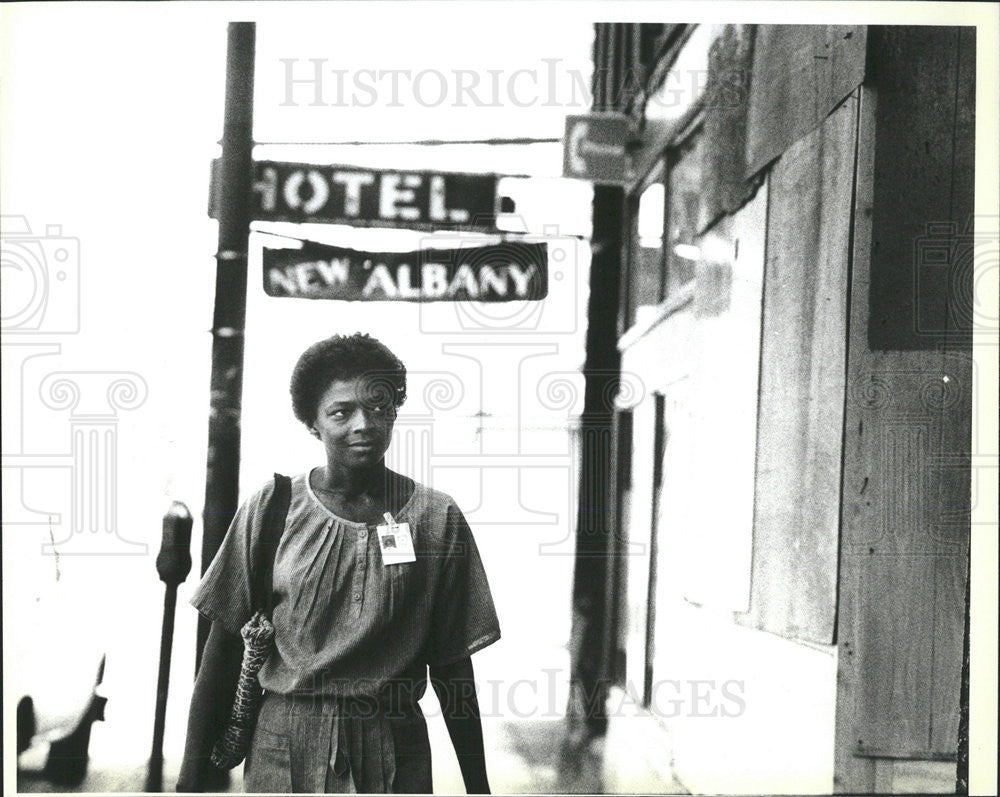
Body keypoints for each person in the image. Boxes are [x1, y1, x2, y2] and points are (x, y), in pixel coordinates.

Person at [177, 333, 500, 793]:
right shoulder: (271, 509)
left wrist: (479, 786)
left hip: (395, 748)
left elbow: (453, 666)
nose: (363, 424)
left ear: (394, 412)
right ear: (313, 422)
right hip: (282, 748)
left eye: (378, 406)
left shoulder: (435, 518)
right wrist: (189, 780)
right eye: (341, 411)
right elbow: (222, 650)